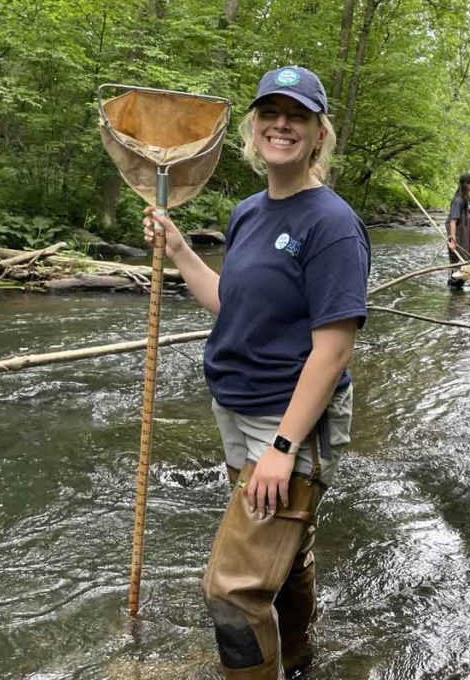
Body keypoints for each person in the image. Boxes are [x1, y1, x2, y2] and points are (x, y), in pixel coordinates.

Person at [143, 65, 370, 680]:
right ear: (253, 128)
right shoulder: (248, 212)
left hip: (284, 416)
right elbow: (233, 304)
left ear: (319, 133)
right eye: (270, 113)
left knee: (233, 591)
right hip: (236, 406)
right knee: (284, 552)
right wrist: (182, 251)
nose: (281, 125)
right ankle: (297, 658)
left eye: (297, 116)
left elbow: (332, 351)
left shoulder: (332, 224)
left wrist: (282, 446)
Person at [445, 172, 470, 288]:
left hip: (467, 234)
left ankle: (458, 289)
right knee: (458, 262)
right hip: (459, 235)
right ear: (465, 184)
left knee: (466, 260)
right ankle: (453, 288)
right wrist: (453, 240)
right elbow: (453, 221)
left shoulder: (467, 198)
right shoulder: (458, 200)